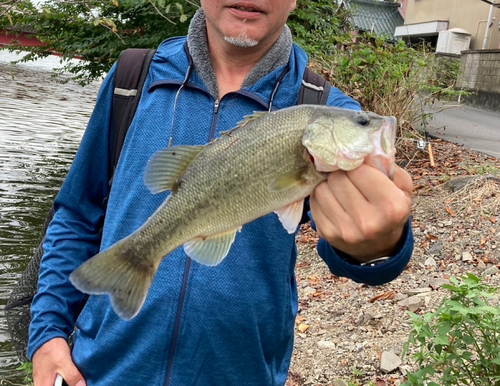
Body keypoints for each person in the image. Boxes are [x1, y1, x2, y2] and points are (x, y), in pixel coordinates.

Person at [29, 1, 414, 385]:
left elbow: (353, 253)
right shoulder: (132, 80)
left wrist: (380, 244)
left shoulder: (325, 110)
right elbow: (77, 214)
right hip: (101, 372)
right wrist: (47, 333)